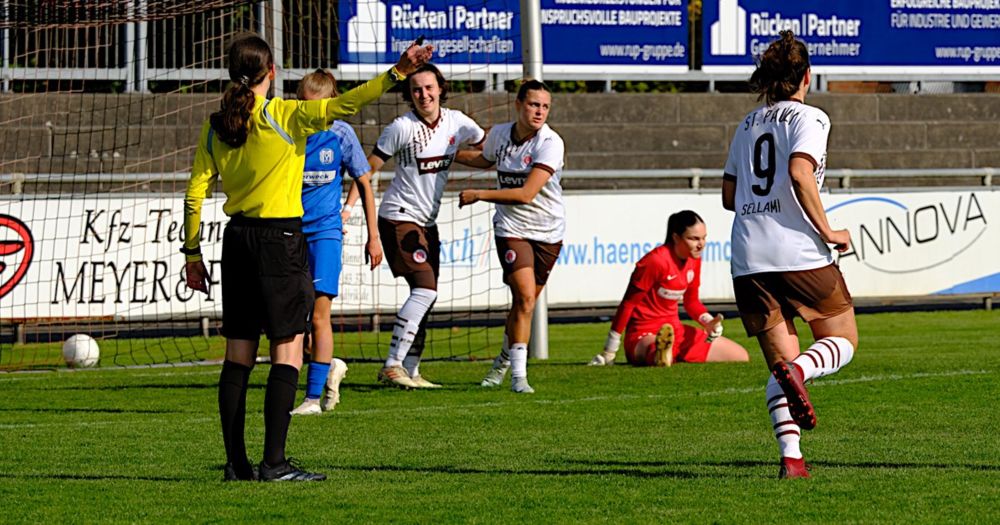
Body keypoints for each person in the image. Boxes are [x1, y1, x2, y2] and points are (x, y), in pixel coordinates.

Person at [182, 34, 432, 481]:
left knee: (237, 355)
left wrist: (192, 253)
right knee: (287, 349)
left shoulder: (215, 124)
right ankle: (274, 463)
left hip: (236, 241)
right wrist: (399, 71)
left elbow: (196, 191)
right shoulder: (287, 116)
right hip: (280, 240)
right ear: (272, 72)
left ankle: (237, 465)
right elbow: (349, 103)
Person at [721, 30, 857, 479]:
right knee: (842, 342)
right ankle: (800, 372)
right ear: (807, 77)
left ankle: (792, 460)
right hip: (798, 250)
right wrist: (829, 229)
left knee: (779, 365)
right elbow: (801, 172)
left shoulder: (746, 125)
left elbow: (728, 195)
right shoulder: (810, 118)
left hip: (748, 258)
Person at [353, 63, 485, 389]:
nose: (424, 94)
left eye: (429, 87)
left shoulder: (458, 122)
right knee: (426, 289)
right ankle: (392, 364)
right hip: (398, 216)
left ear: (440, 88)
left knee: (424, 296)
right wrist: (349, 206)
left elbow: (486, 148)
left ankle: (411, 370)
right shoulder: (401, 127)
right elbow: (366, 169)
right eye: (416, 89)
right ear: (409, 95)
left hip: (428, 222)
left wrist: (457, 154)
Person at [456, 80, 565, 394]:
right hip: (511, 230)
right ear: (518, 104)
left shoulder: (550, 142)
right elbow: (483, 159)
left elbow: (527, 194)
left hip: (548, 231)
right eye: (533, 104)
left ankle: (503, 361)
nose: (539, 112)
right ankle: (519, 377)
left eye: (545, 106)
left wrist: (479, 194)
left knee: (524, 304)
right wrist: (449, 155)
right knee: (527, 298)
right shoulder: (501, 134)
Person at [289, 70, 383, 416]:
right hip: (289, 233)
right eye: (304, 105)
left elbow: (365, 182)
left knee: (319, 314)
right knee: (290, 319)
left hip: (326, 232)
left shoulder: (341, 135)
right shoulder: (289, 130)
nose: (310, 113)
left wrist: (373, 236)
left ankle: (312, 399)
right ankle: (328, 367)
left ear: (331, 106)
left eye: (317, 107)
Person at [588, 211, 749, 368]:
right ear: (675, 237)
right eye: (694, 238)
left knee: (740, 355)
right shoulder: (655, 261)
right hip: (643, 334)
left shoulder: (694, 259)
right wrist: (610, 350)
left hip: (676, 331)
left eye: (704, 238)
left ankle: (668, 353)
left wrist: (708, 322)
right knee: (654, 351)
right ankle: (661, 353)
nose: (701, 244)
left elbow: (691, 302)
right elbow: (628, 304)